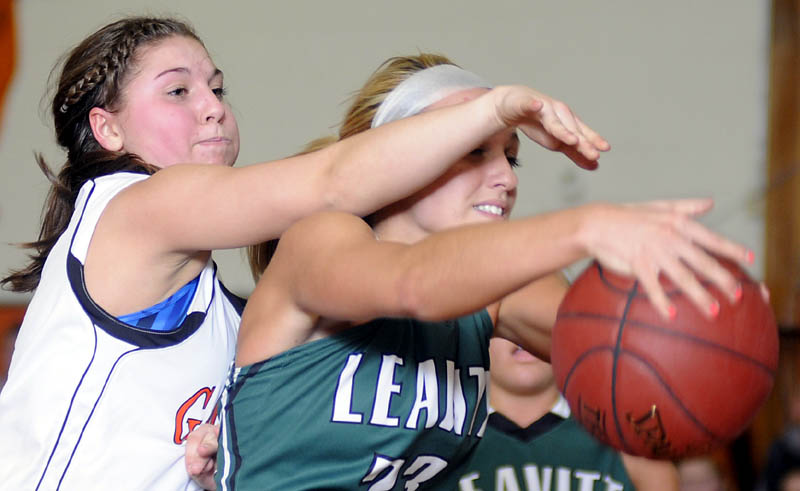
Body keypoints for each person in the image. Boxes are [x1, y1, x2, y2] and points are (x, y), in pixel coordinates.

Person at [0, 18, 611, 490]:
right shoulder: (129, 205)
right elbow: (332, 184)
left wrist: (221, 455)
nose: (212, 104)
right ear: (109, 131)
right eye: (178, 91)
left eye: (216, 87)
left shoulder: (226, 315)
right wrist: (497, 108)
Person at [214, 53, 751, 490]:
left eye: (510, 157)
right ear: (400, 158)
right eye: (474, 152)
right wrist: (587, 224)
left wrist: (724, 318)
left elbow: (636, 357)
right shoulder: (319, 238)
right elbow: (414, 284)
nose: (505, 179)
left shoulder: (497, 292)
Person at [453, 335, 680, 490]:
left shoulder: (629, 441)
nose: (521, 334)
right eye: (512, 319)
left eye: (533, 316)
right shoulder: (436, 440)